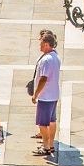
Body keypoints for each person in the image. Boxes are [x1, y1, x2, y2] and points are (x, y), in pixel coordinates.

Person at [32, 30, 61, 158]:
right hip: (54, 95)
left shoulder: (46, 60)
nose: (40, 45)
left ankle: (46, 147)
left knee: (43, 123)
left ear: (47, 44)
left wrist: (35, 94)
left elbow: (43, 78)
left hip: (45, 96)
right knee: (52, 121)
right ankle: (51, 144)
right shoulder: (55, 56)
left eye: (41, 43)